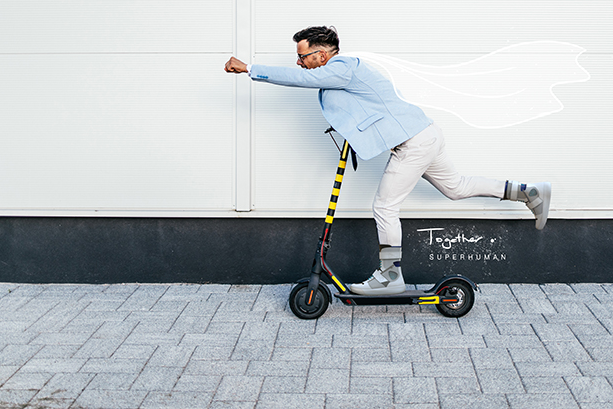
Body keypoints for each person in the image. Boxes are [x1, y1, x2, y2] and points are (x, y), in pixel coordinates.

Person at [225, 26, 551, 296]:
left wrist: (250, 69)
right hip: (423, 134)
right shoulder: (343, 72)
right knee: (456, 187)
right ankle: (527, 192)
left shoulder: (342, 67)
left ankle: (390, 276)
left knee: (384, 207)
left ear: (321, 55)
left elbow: (307, 81)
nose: (299, 63)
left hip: (412, 143)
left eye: (302, 56)